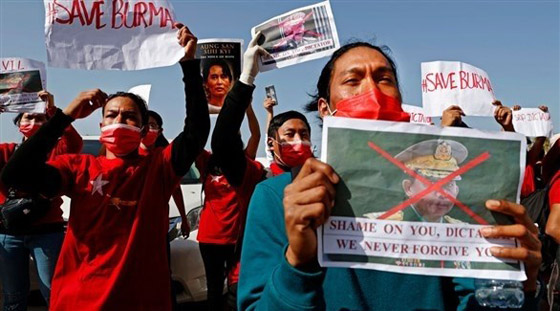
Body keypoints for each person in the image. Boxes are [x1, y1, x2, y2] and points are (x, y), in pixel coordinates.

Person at [238, 42, 542, 310]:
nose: (371, 91)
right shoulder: (279, 198)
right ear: (325, 109)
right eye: (352, 80)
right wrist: (298, 262)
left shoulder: (435, 203)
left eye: (384, 79)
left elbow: (471, 301)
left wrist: (522, 284)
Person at [0, 23, 209, 311]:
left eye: (130, 116)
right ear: (101, 126)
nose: (120, 119)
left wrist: (189, 64)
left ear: (142, 128)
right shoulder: (76, 166)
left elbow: (197, 130)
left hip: (142, 299)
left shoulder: (158, 167)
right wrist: (64, 116)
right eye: (112, 115)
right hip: (79, 299)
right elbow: (16, 175)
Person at [0, 90, 82, 311]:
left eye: (39, 118)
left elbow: (75, 144)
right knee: (13, 296)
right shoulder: (6, 151)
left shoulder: (58, 150)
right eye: (29, 117)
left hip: (47, 232)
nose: (34, 121)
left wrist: (53, 112)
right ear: (18, 124)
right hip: (9, 233)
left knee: (54, 293)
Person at [194, 95, 261, 311]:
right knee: (214, 288)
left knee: (235, 286)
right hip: (208, 237)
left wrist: (248, 107)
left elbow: (256, 135)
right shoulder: (207, 160)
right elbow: (192, 138)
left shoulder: (245, 164)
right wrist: (207, 111)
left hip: (234, 238)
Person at [364, 139, 466, 224]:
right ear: (408, 188)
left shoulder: (465, 230)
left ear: (456, 191)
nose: (441, 194)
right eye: (430, 183)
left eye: (449, 185)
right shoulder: (378, 223)